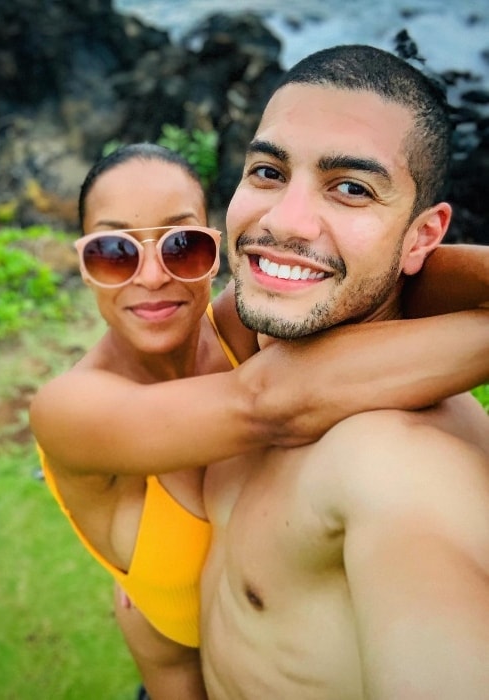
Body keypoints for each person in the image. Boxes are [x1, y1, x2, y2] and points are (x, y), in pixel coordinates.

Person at [29, 138, 489, 700]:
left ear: (218, 250)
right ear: (82, 262)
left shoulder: (238, 325)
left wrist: (406, 250)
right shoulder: (69, 409)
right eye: (114, 251)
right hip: (174, 669)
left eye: (182, 244)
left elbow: (393, 280)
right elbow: (263, 403)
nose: (151, 277)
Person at [198, 44, 489, 700]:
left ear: (422, 237)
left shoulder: (399, 461)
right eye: (268, 171)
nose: (282, 222)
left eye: (351, 188)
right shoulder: (238, 347)